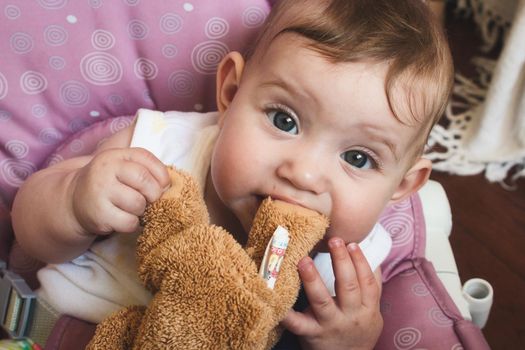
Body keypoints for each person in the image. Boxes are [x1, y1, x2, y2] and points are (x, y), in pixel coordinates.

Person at [11, 0, 453, 348]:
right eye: (284, 121)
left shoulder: (352, 265)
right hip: (83, 331)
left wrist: (350, 339)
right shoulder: (156, 151)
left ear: (402, 186)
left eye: (357, 158)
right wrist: (75, 202)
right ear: (231, 93)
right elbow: (31, 235)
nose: (303, 174)